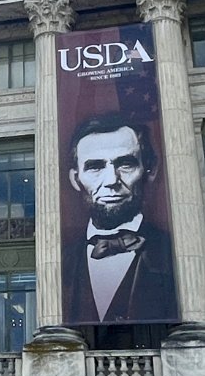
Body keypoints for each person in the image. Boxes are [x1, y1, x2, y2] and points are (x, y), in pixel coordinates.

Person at [62, 114, 177, 325]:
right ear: (75, 178)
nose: (111, 181)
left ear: (149, 171)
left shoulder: (175, 253)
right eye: (95, 167)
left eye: (125, 164)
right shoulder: (61, 261)